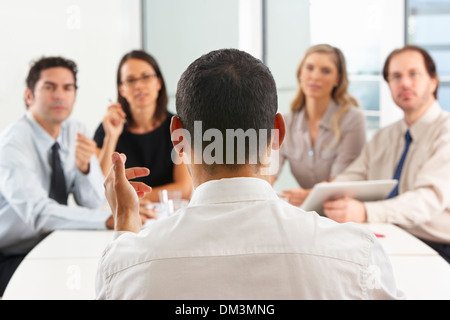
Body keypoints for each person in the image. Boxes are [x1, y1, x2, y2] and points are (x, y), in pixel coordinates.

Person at [95, 49, 403, 299]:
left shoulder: (126, 265)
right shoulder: (357, 255)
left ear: (178, 138)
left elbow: (120, 281)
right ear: (277, 134)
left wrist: (126, 224)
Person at [0, 56, 126, 296]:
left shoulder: (74, 130)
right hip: (10, 254)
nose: (60, 95)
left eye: (67, 88)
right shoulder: (13, 143)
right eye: (49, 87)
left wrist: (86, 171)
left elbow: (92, 201)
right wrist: (108, 220)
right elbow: (38, 214)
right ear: (29, 96)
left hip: (53, 243)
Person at [323, 45, 450, 264]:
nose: (405, 83)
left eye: (414, 74)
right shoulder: (385, 137)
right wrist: (323, 195)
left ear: (433, 81)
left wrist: (365, 212)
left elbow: (427, 200)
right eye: (396, 76)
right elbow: (354, 175)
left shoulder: (445, 132)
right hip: (388, 237)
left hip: (438, 248)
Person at [93, 50, 192, 211]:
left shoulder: (177, 126)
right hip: (123, 215)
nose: (139, 86)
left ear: (159, 83)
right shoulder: (108, 129)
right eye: (130, 80)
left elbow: (184, 189)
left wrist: (133, 198)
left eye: (146, 77)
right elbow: (98, 188)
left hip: (167, 215)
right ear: (122, 89)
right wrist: (111, 136)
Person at [272, 44, 366, 207]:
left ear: (338, 78)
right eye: (309, 68)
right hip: (307, 211)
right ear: (300, 73)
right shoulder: (285, 122)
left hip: (343, 209)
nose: (315, 76)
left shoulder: (353, 120)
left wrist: (309, 195)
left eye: (325, 71)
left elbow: (341, 183)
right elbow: (268, 173)